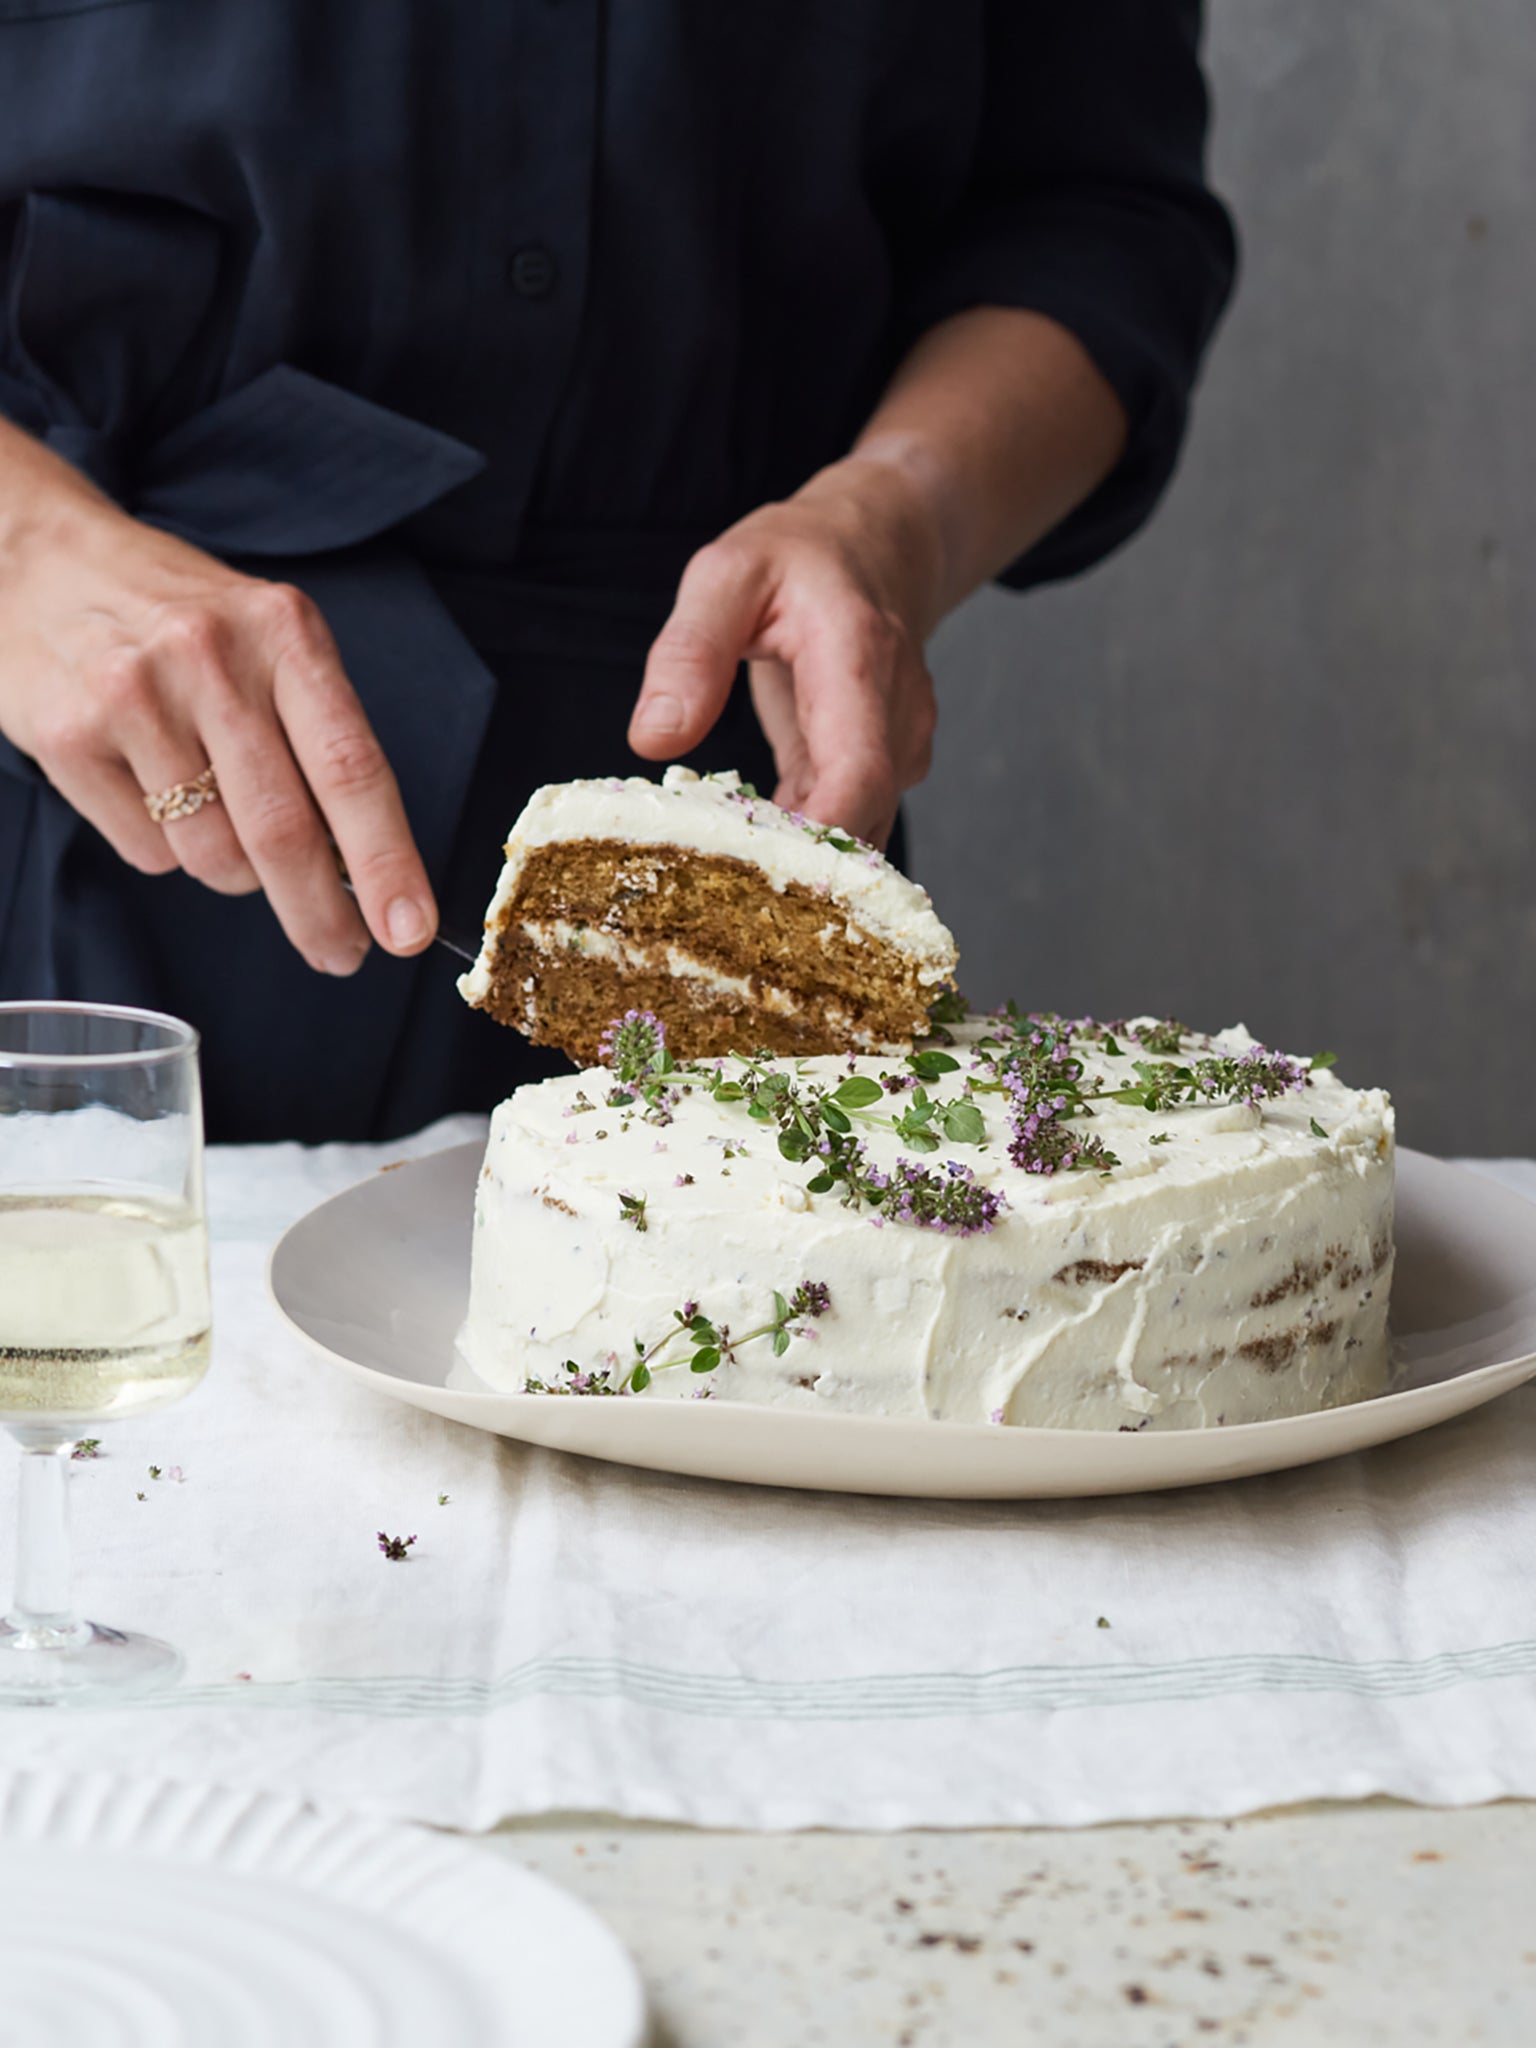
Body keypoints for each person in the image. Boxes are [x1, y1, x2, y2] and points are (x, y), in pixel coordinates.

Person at [0, 3, 1235, 1142]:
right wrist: (26, 546)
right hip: (71, 761)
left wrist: (899, 508)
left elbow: (1092, 213)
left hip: (720, 808)